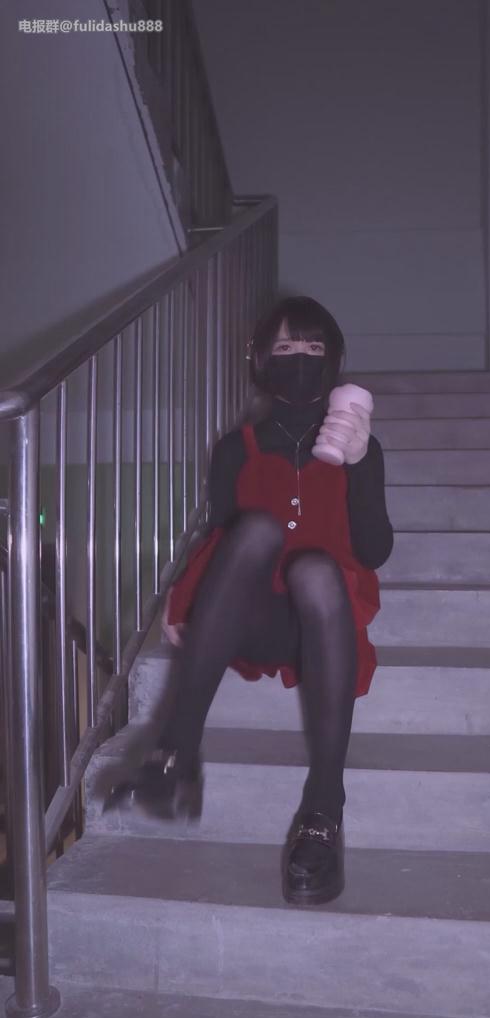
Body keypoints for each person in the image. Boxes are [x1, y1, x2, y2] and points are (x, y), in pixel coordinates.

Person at [103, 295, 394, 905]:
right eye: (285, 347)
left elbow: (373, 551)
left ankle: (325, 807)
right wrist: (184, 601)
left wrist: (360, 463)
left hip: (326, 622)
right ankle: (175, 752)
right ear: (261, 359)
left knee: (317, 571)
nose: (299, 358)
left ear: (335, 360)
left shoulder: (360, 445)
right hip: (256, 615)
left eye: (313, 347)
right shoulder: (236, 447)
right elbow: (222, 540)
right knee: (256, 530)